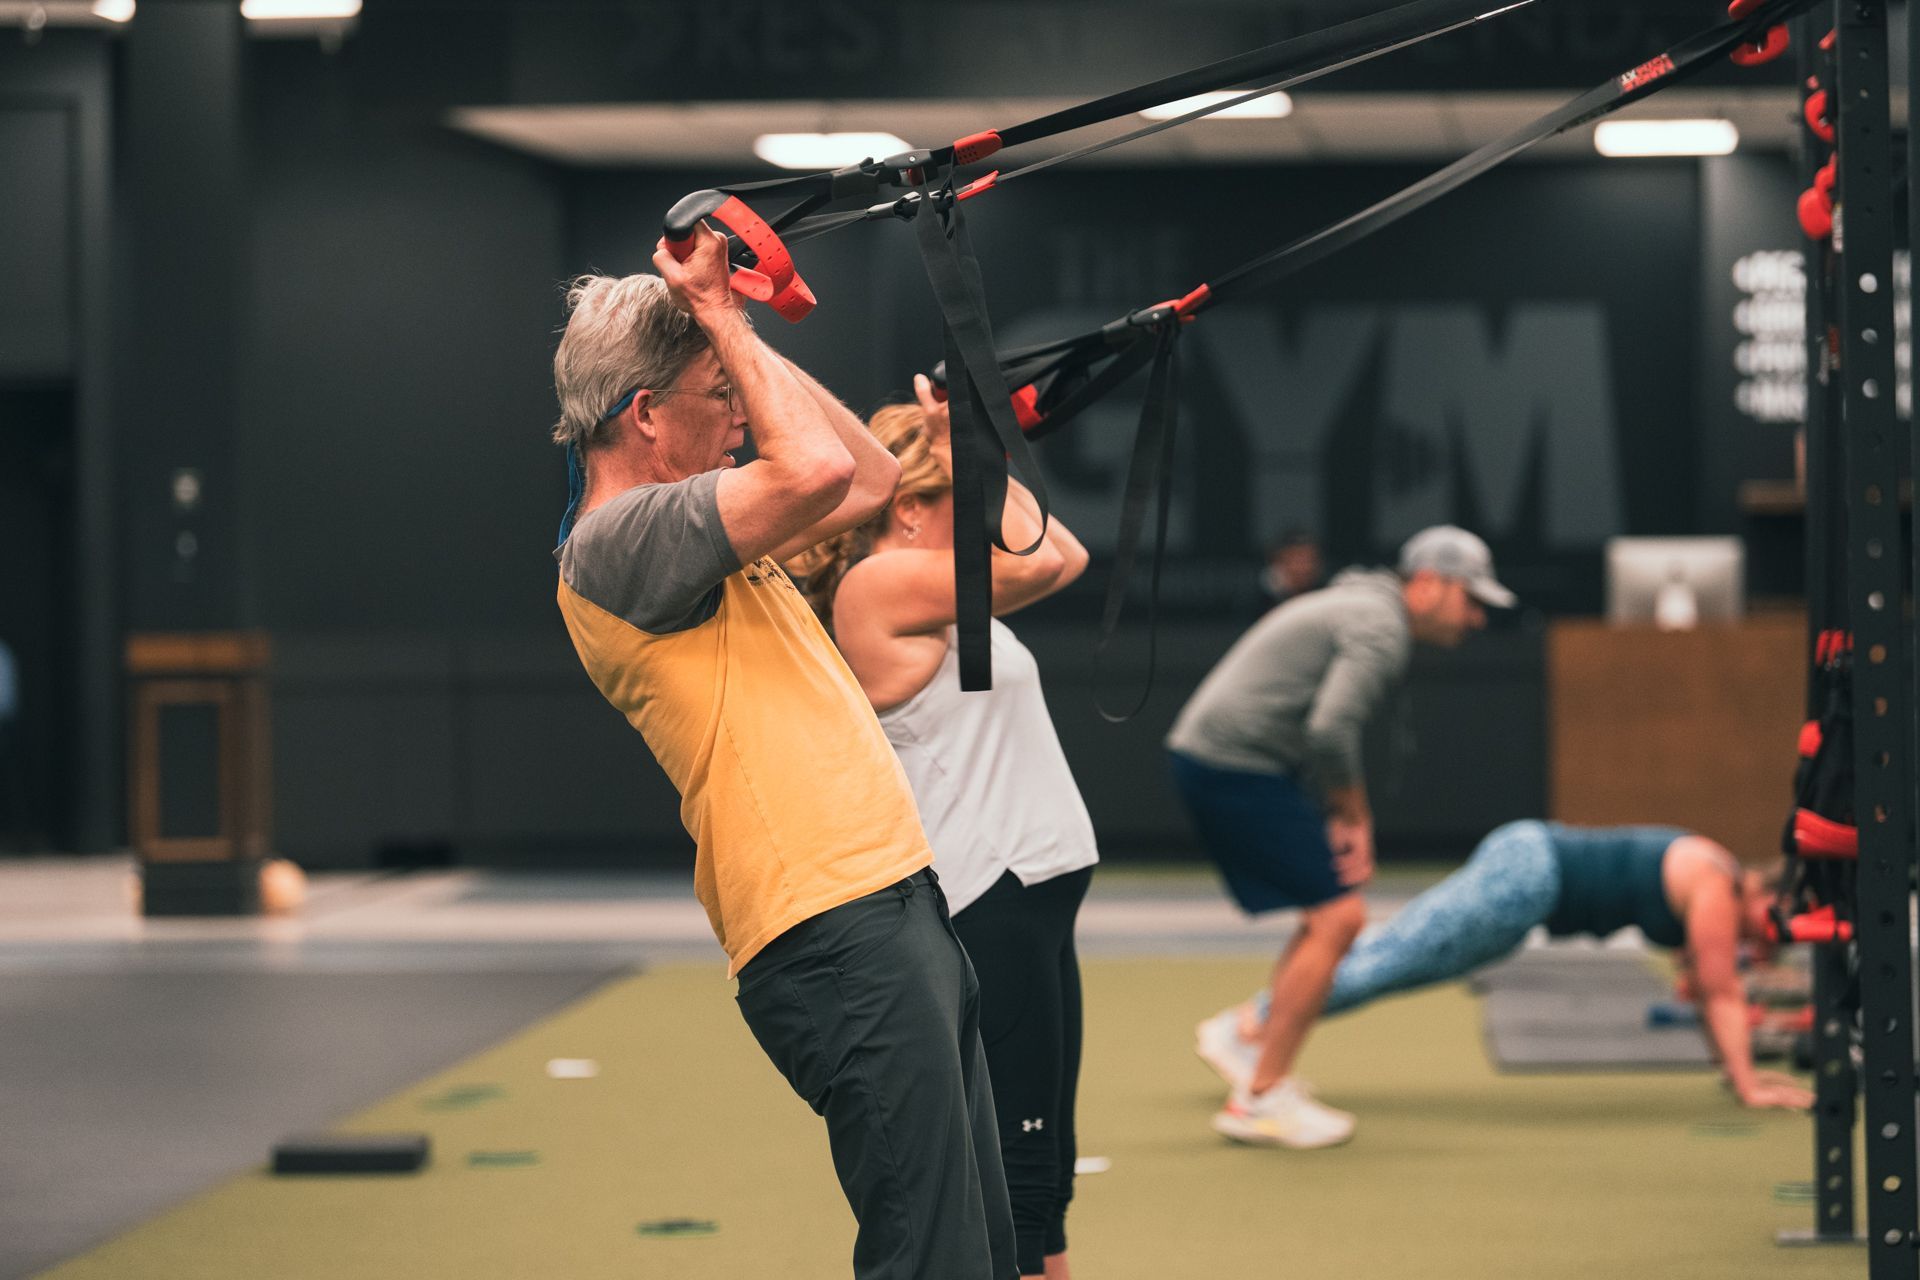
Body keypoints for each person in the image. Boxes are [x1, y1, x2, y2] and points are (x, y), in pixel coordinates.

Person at [549, 230, 1016, 1280]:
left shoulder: (694, 524)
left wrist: (728, 324)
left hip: (888, 904)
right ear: (645, 415)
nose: (744, 419)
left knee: (976, 1249)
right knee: (929, 1257)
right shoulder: (619, 541)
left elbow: (869, 474)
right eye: (723, 397)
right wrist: (722, 319)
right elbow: (811, 468)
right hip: (832, 930)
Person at [791, 374, 1096, 1280]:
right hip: (990, 905)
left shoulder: (947, 592)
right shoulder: (878, 585)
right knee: (1024, 1178)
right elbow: (1044, 561)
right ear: (916, 509)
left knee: (1048, 1177)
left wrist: (977, 451)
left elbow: (1061, 551)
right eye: (963, 498)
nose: (984, 514)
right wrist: (979, 451)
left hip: (1037, 901)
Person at [1165, 524, 1513, 1148]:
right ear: (1428, 585)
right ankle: (1260, 1095)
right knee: (1339, 917)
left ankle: (1253, 1056)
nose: (1478, 618)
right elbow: (1331, 729)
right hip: (1233, 764)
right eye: (1472, 599)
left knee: (1327, 916)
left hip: (1230, 760)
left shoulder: (1364, 608)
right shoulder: (1379, 626)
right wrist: (1353, 815)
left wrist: (1340, 812)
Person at [1195, 822, 1815, 1112]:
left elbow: (1708, 992)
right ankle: (1249, 1027)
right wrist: (1749, 1085)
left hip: (1528, 866)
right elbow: (1721, 990)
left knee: (1395, 954)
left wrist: (1728, 1067)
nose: (1769, 942)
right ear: (1769, 895)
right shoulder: (1715, 884)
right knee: (1393, 962)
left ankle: (1255, 1024)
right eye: (1773, 927)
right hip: (1530, 877)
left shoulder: (1712, 872)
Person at [1261, 528, 1324, 603]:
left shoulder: (1326, 592)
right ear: (1278, 561)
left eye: (1309, 560)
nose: (1305, 568)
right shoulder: (1258, 598)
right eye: (1297, 560)